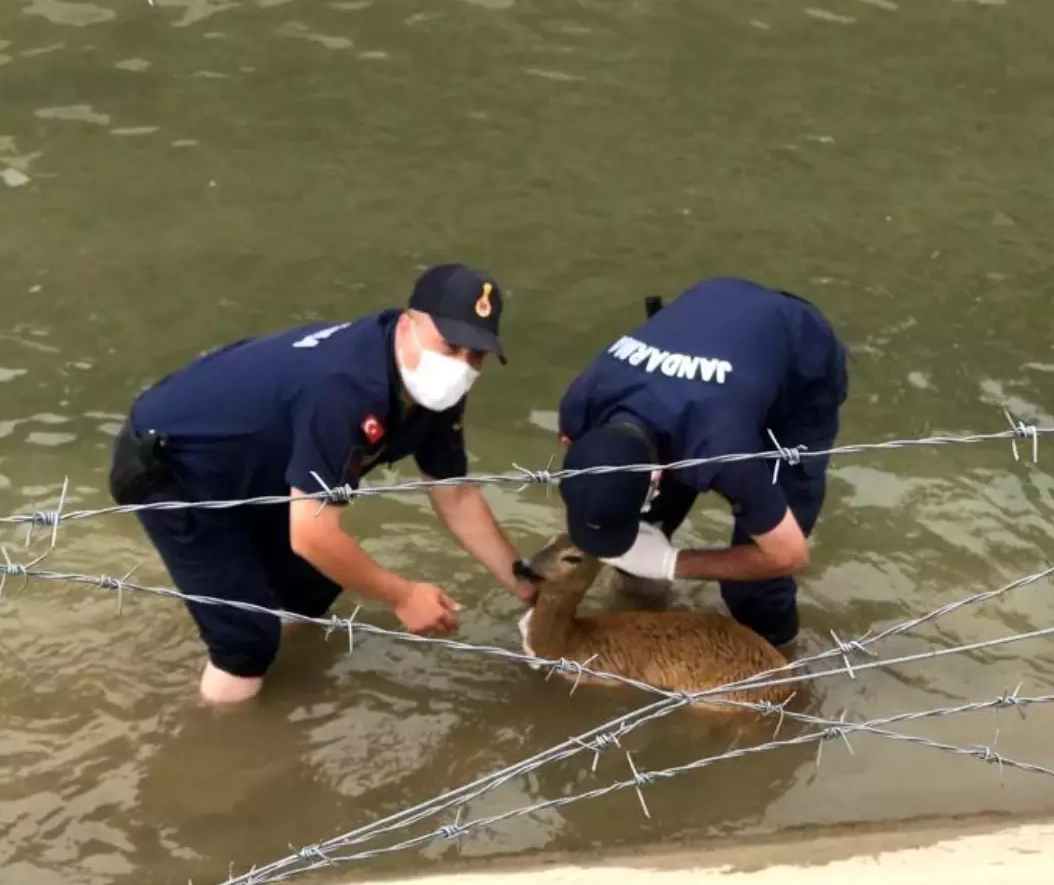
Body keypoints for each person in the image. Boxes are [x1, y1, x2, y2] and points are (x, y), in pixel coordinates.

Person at [108, 263, 535, 705]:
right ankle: (222, 747)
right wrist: (404, 596)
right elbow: (312, 535)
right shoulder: (347, 386)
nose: (460, 367)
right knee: (246, 641)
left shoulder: (435, 392)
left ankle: (298, 697)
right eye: (450, 345)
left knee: (312, 589)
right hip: (177, 467)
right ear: (408, 324)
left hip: (264, 464)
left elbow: (457, 495)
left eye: (476, 356)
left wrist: (529, 588)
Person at [554, 277, 849, 652]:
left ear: (658, 475)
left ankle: (780, 678)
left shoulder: (722, 449)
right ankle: (645, 634)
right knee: (634, 534)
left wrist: (671, 563)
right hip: (713, 317)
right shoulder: (579, 405)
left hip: (798, 366)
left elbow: (789, 555)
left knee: (753, 590)